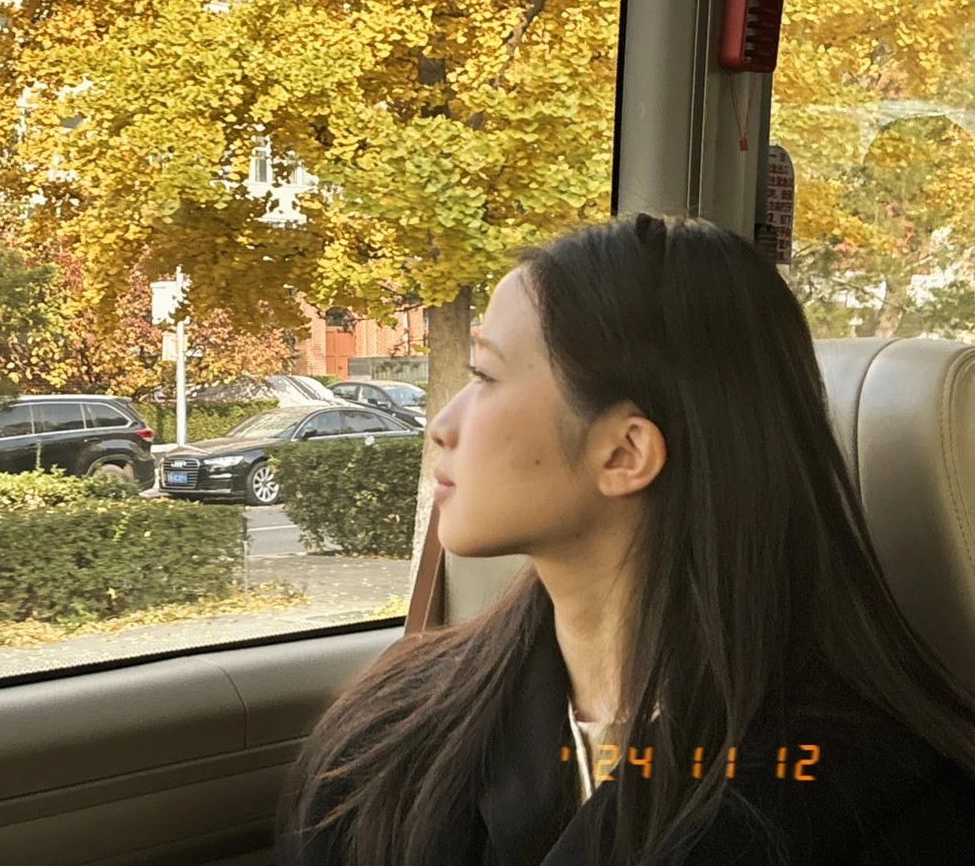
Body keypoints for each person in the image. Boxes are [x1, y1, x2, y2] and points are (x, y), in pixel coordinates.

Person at [277, 215, 975, 865]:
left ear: (624, 453)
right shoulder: (391, 734)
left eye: (485, 375)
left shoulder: (877, 804)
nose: (442, 425)